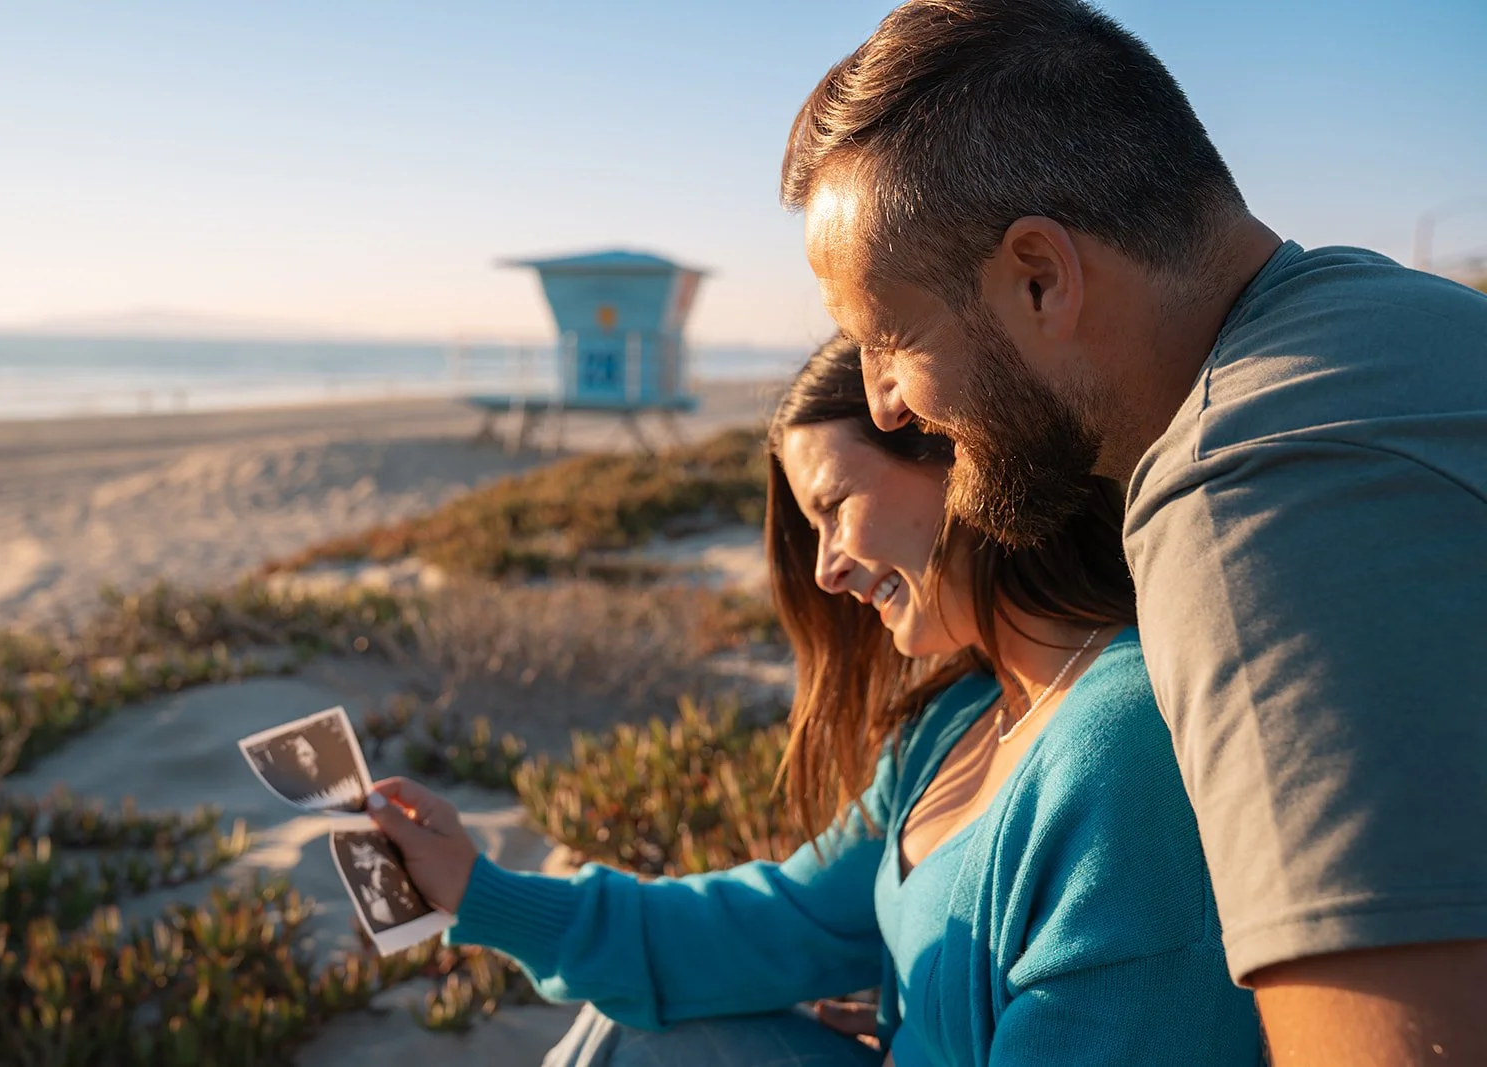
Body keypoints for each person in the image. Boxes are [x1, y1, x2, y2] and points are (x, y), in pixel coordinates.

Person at [779, 2, 1487, 1063]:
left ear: (1040, 277)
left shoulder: (1239, 502)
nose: (881, 402)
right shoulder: (1398, 322)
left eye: (891, 338)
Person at [366, 337, 1261, 1066]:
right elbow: (776, 919)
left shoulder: (1126, 741)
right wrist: (483, 892)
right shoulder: (954, 722)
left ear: (958, 456)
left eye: (834, 505)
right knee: (629, 1035)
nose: (828, 566)